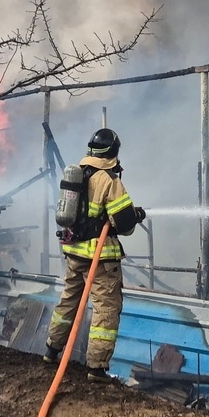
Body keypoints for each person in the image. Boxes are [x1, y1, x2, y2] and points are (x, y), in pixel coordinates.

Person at [44, 128, 146, 382]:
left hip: (74, 254)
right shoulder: (108, 180)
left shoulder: (78, 174)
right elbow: (123, 224)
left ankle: (51, 350)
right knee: (106, 309)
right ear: (113, 152)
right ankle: (96, 368)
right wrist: (136, 215)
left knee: (69, 301)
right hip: (100, 259)